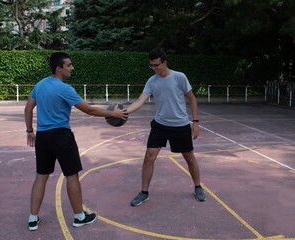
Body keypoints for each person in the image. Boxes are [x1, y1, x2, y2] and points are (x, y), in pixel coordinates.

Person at [24, 52, 128, 231]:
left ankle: (32, 219)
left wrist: (29, 131)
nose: (72, 68)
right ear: (59, 68)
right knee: (71, 175)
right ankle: (79, 216)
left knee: (41, 176)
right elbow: (89, 110)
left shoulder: (40, 85)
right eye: (69, 65)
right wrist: (114, 114)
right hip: (61, 136)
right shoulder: (65, 89)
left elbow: (28, 108)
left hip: (42, 136)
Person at [126, 47, 206, 207]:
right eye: (151, 66)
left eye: (157, 65)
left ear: (165, 62)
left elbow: (192, 99)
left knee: (189, 157)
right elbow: (140, 101)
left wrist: (195, 122)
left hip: (180, 125)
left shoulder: (179, 77)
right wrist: (123, 112)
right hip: (160, 125)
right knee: (149, 157)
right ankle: (144, 192)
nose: (154, 68)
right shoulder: (152, 81)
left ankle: (198, 187)